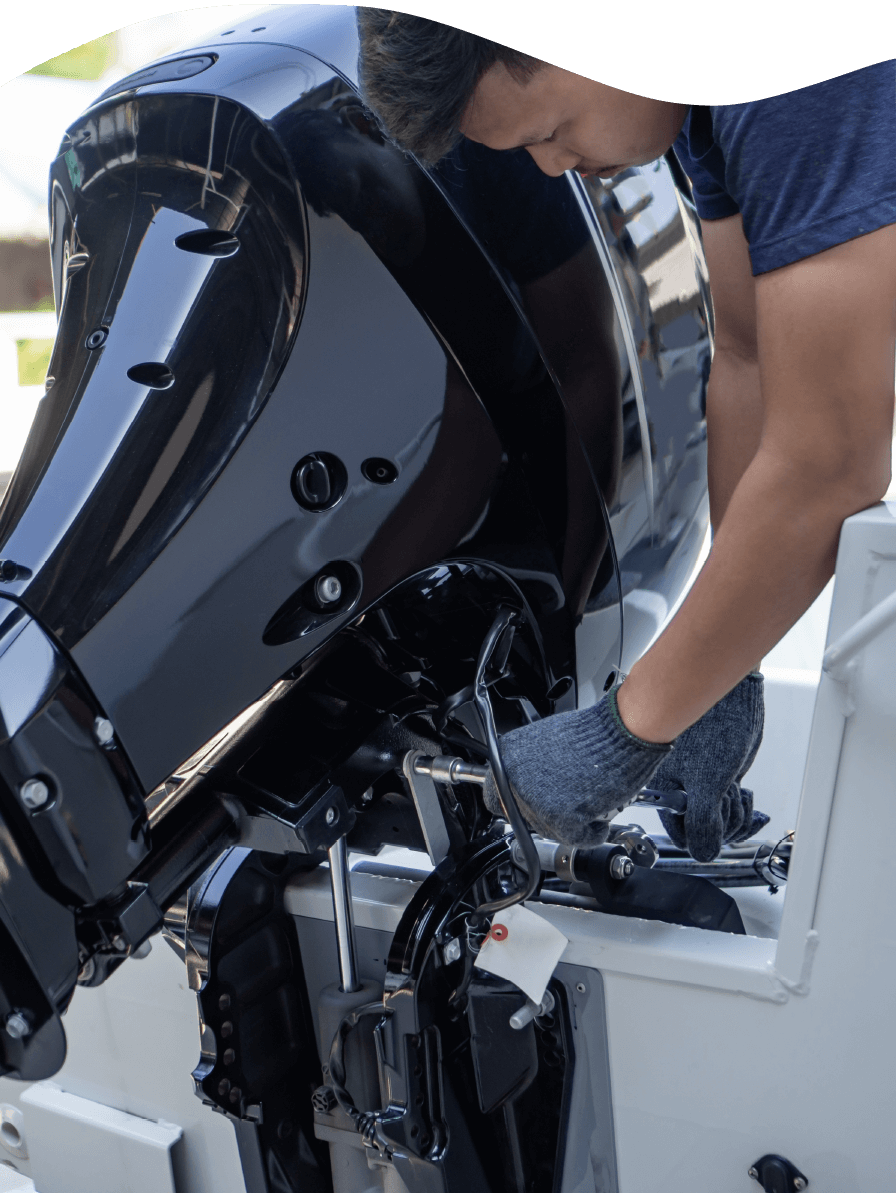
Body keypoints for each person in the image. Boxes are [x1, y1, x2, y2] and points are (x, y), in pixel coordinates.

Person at [356, 10, 896, 859]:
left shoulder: (785, 62)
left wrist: (623, 731)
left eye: (551, 131)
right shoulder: (695, 92)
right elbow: (750, 353)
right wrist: (720, 669)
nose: (556, 166)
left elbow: (832, 465)